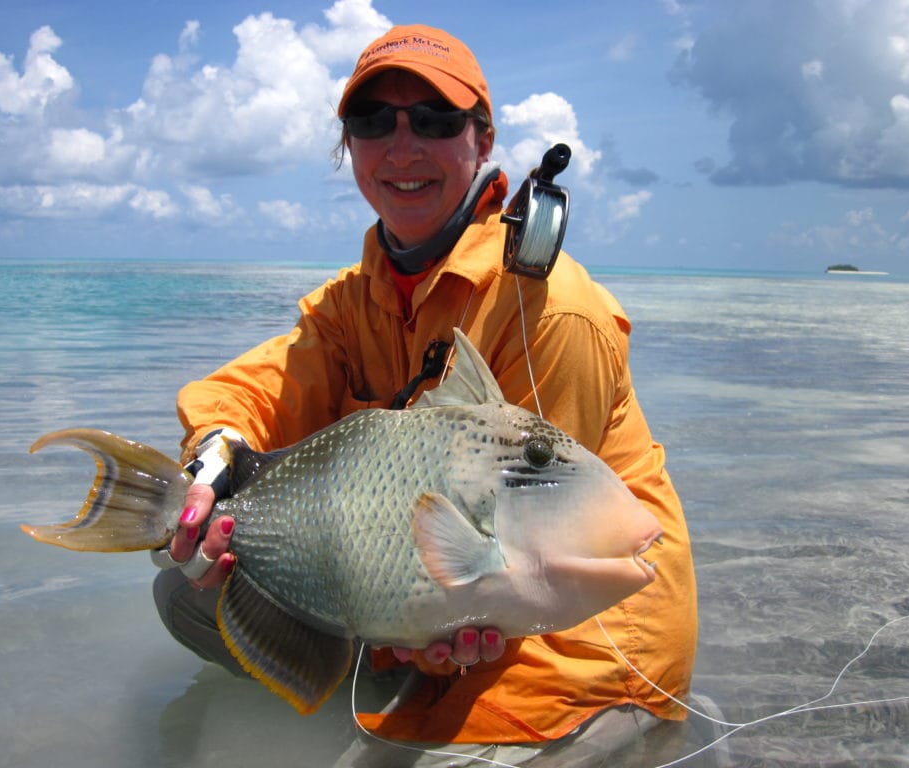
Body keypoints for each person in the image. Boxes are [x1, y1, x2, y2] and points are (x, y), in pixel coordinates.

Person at [152, 23, 698, 767]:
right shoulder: (357, 300)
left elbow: (538, 558)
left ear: (483, 140)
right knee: (182, 591)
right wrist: (210, 465)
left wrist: (433, 627)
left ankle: (638, 733)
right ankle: (369, 676)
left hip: (574, 651)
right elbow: (262, 387)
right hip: (435, 603)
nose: (401, 147)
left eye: (435, 121)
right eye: (372, 121)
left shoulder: (552, 310)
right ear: (348, 148)